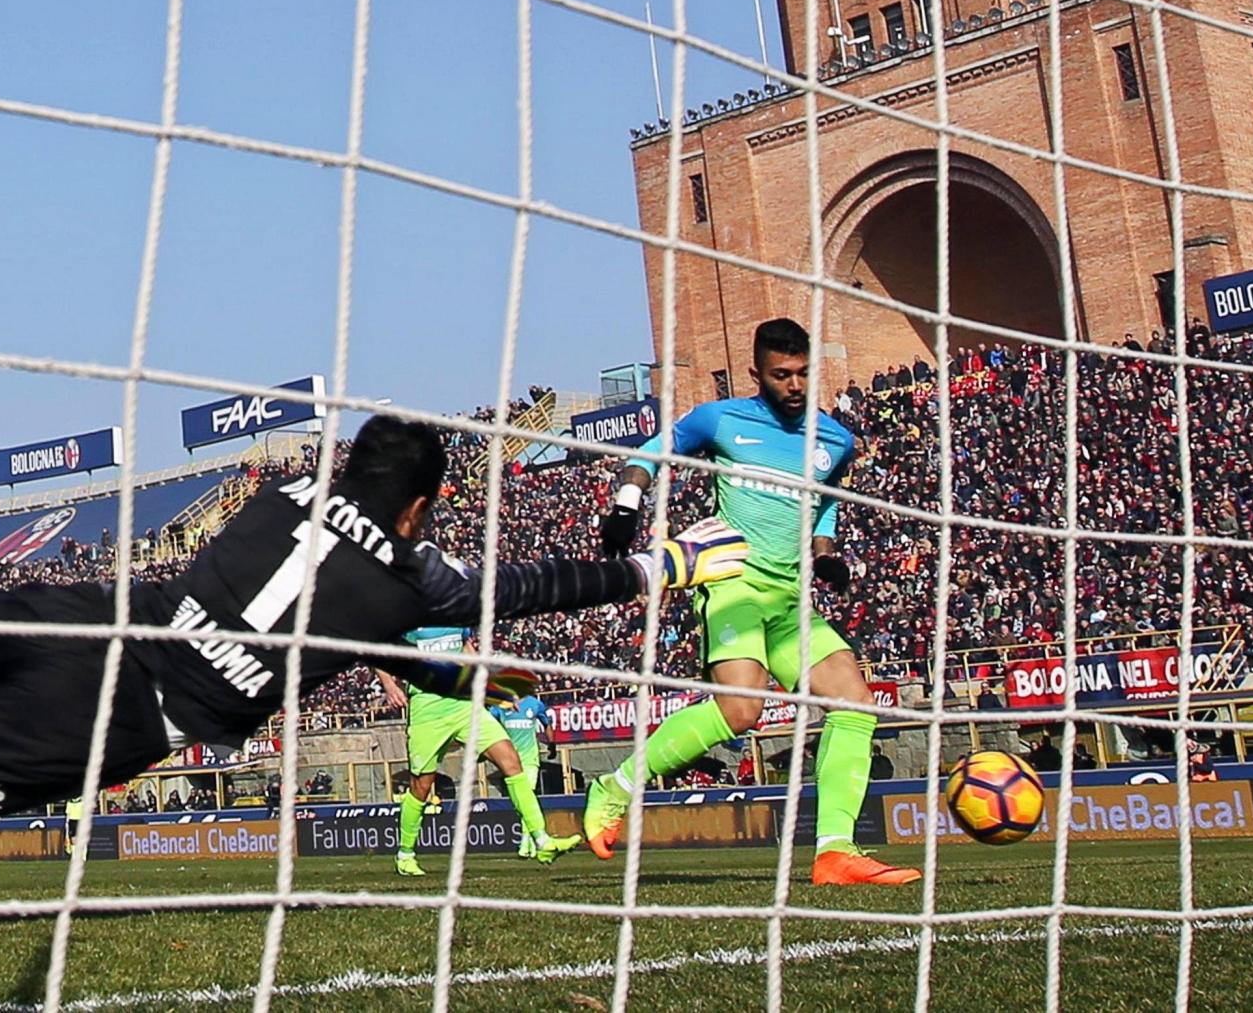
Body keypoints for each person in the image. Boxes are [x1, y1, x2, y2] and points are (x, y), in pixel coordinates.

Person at [0, 417, 748, 841]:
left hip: (106, 609)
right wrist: (651, 566)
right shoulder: (414, 586)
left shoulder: (275, 492)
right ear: (422, 501)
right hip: (129, 708)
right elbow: (517, 592)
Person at [591, 317, 919, 886]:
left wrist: (825, 552)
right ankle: (615, 789)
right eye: (781, 375)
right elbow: (649, 455)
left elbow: (824, 504)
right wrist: (625, 506)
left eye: (801, 374)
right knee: (743, 711)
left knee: (855, 705)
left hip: (792, 598)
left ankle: (835, 852)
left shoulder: (834, 440)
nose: (794, 385)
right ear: (757, 374)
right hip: (735, 582)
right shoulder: (720, 419)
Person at [376, 642, 573, 877]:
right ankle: (405, 854)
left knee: (511, 761)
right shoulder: (408, 616)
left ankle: (542, 841)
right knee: (421, 786)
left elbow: (470, 654)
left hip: (465, 705)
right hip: (428, 707)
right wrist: (389, 684)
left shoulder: (455, 615)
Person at [488, 691, 557, 859]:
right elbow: (488, 723)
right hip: (510, 760)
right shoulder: (501, 705)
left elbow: (547, 722)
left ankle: (526, 841)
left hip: (530, 758)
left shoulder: (534, 703)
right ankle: (533, 839)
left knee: (527, 795)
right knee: (520, 801)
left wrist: (552, 744)